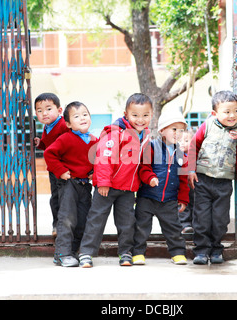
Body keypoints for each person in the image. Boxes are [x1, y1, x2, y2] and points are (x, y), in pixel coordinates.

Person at [78, 93, 153, 268]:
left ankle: (125, 252)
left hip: (127, 188)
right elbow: (104, 157)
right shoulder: (115, 133)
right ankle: (86, 253)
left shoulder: (146, 135)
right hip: (107, 186)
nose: (140, 119)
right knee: (96, 219)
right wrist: (103, 182)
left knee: (127, 222)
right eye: (135, 115)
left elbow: (141, 164)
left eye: (145, 115)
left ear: (151, 115)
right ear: (125, 114)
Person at [188, 90, 237, 265]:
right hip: (203, 180)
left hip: (224, 183)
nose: (232, 115)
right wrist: (191, 169)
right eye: (227, 112)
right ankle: (201, 251)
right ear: (215, 113)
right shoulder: (206, 126)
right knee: (202, 218)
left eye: (236, 111)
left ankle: (216, 250)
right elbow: (193, 146)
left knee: (221, 219)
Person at [44, 101, 98, 267]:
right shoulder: (66, 138)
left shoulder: (94, 140)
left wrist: (93, 172)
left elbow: (97, 160)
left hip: (85, 186)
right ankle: (62, 254)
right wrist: (60, 170)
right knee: (67, 219)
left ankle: (74, 252)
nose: (82, 118)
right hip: (69, 185)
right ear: (68, 123)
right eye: (76, 116)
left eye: (85, 115)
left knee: (83, 219)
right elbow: (49, 153)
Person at [133, 110, 190, 265]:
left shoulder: (181, 154)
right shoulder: (151, 147)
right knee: (141, 227)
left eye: (181, 130)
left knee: (174, 228)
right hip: (148, 197)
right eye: (174, 129)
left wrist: (183, 198)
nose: (178, 133)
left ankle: (177, 253)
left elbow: (183, 179)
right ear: (161, 130)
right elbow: (144, 168)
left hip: (169, 200)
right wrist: (150, 178)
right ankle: (137, 253)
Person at [34, 93, 69, 237]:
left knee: (64, 197)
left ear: (59, 110)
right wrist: (41, 143)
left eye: (48, 109)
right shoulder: (47, 127)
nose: (44, 113)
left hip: (64, 169)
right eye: (40, 111)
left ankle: (64, 226)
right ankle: (57, 225)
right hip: (53, 170)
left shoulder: (63, 125)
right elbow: (50, 147)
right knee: (55, 198)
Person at [178, 128, 195, 234]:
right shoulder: (175, 155)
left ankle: (194, 224)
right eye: (180, 140)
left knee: (195, 204)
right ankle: (185, 225)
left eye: (186, 140)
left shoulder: (193, 155)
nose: (182, 143)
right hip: (181, 185)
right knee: (183, 205)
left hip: (192, 185)